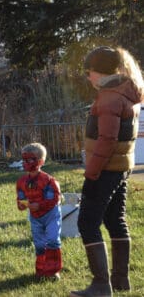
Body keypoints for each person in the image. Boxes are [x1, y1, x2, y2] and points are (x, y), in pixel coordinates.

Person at [71, 46, 144, 297]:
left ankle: (101, 285)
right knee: (115, 220)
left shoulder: (110, 98)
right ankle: (121, 281)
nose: (88, 77)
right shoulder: (125, 92)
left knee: (87, 222)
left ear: (98, 72)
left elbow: (107, 140)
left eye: (88, 72)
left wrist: (91, 172)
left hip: (105, 170)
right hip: (120, 168)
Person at [16, 143, 62, 280]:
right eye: (24, 160)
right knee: (40, 244)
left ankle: (53, 271)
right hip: (35, 217)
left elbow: (55, 198)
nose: (26, 163)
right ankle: (41, 270)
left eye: (30, 160)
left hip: (51, 214)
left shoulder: (48, 181)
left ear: (40, 161)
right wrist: (22, 205)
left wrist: (39, 205)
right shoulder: (22, 182)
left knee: (53, 240)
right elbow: (20, 198)